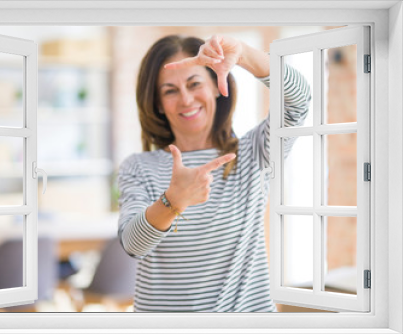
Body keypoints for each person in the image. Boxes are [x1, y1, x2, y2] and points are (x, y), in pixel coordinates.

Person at [117, 34, 311, 312]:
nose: (186, 98)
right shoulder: (138, 167)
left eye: (194, 84)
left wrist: (242, 54)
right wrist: (173, 201)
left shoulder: (255, 152)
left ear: (217, 87)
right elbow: (133, 245)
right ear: (158, 103)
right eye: (170, 90)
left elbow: (300, 100)